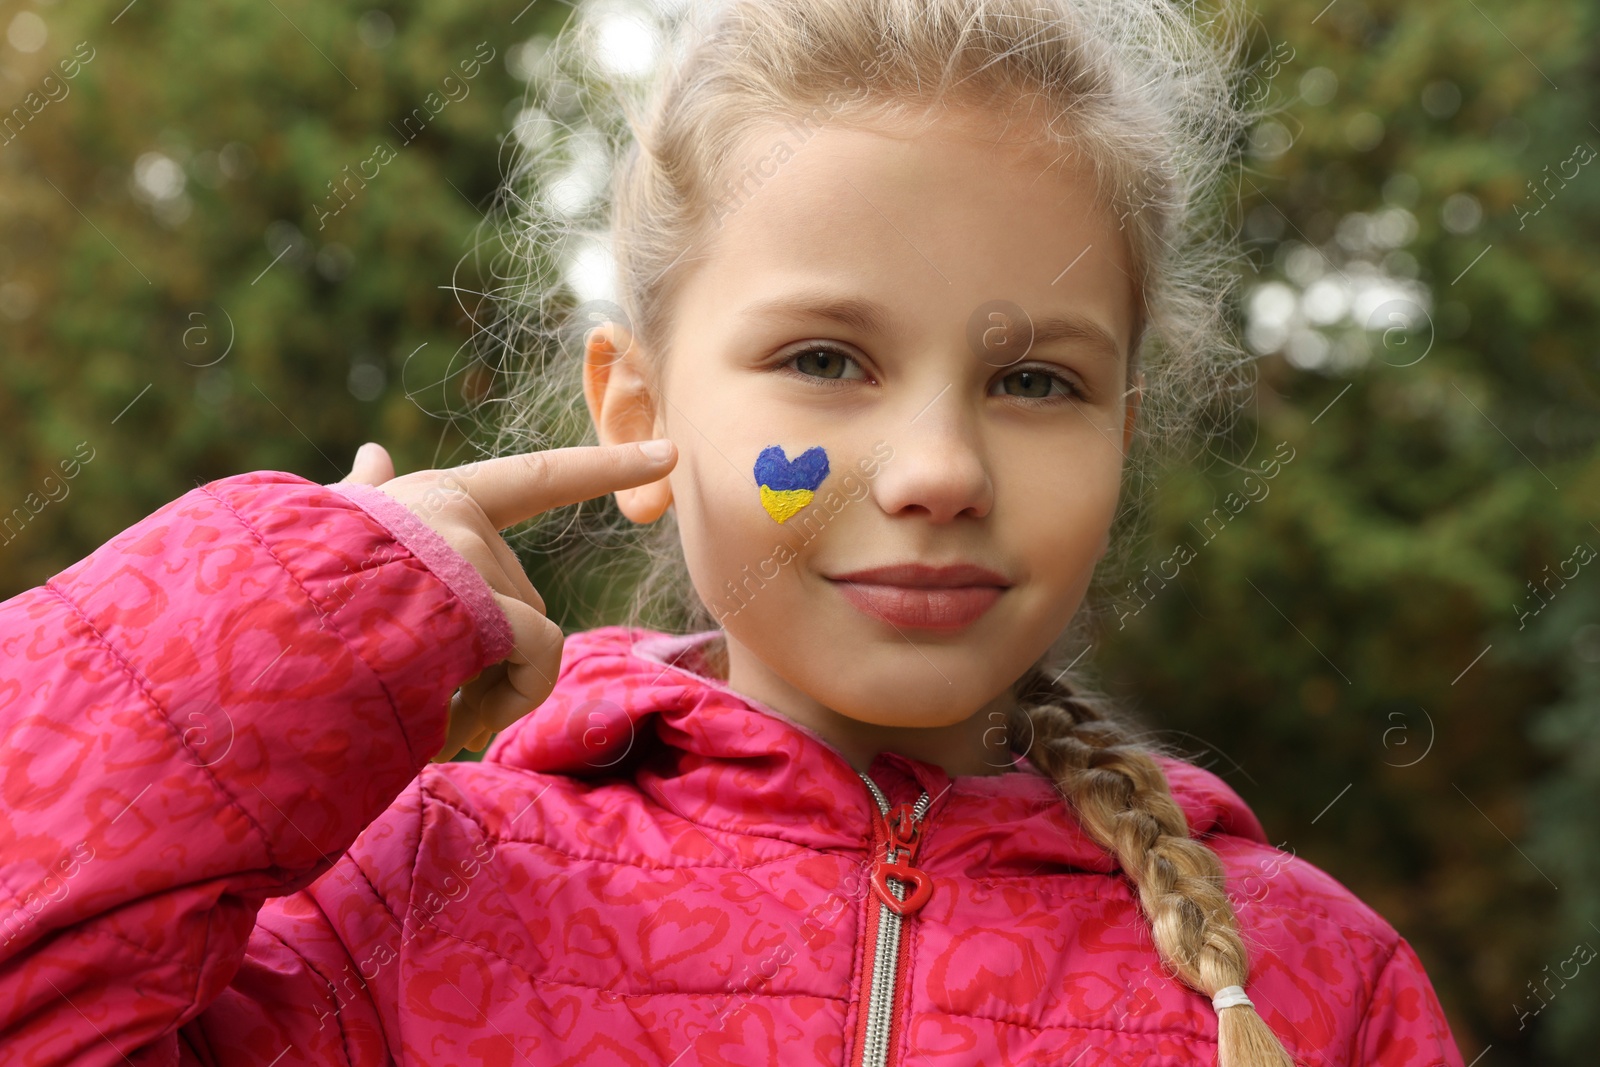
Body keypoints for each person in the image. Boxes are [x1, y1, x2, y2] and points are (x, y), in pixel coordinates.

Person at [0, 0, 1464, 1063]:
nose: (940, 468)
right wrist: (282, 624)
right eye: (828, 361)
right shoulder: (410, 906)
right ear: (636, 412)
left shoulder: (1312, 989)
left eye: (1035, 381)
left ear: (1121, 439)